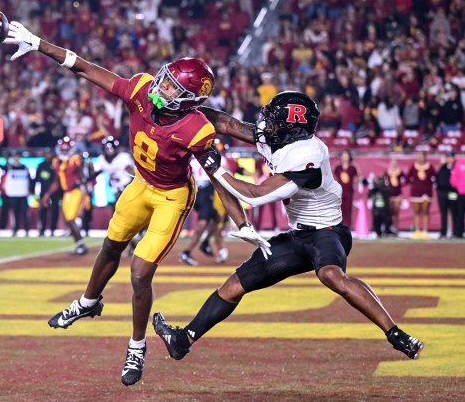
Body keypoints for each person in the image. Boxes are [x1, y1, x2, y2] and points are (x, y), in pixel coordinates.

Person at [1, 22, 269, 385]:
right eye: (166, 78)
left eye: (174, 86)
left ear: (189, 98)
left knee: (140, 272)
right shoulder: (142, 89)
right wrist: (39, 44)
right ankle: (88, 302)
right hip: (140, 185)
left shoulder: (196, 128)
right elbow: (85, 67)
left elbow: (216, 177)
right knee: (110, 247)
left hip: (172, 197)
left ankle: (137, 346)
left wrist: (242, 223)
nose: (162, 86)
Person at [153, 91, 423, 365]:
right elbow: (226, 124)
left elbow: (255, 195)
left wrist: (216, 168)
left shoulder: (308, 154)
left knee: (330, 274)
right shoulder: (278, 137)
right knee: (236, 284)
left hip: (326, 232)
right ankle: (182, 341)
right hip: (298, 236)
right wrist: (182, 110)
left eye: (273, 122)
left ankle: (396, 334)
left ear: (291, 128)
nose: (265, 127)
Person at [42, 137, 89, 255]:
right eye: (62, 149)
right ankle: (79, 244)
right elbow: (56, 181)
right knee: (67, 220)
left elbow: (83, 177)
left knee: (70, 219)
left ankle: (81, 245)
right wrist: (47, 194)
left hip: (76, 191)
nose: (64, 151)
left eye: (66, 149)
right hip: (66, 193)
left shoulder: (75, 160)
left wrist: (87, 194)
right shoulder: (56, 161)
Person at [179, 156, 221, 266]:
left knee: (217, 217)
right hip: (203, 193)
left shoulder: (190, 160)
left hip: (199, 192)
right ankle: (186, 252)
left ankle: (205, 242)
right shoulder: (207, 158)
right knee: (202, 224)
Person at [2, 150, 32, 237]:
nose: (16, 158)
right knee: (15, 213)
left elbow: (29, 180)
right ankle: (15, 229)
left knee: (24, 213)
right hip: (13, 194)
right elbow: (1, 167)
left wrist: (29, 190)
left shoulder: (24, 167)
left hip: (23, 193)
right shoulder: (9, 167)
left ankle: (27, 230)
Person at [32, 148, 61, 237]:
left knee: (55, 211)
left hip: (55, 192)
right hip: (43, 192)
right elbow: (36, 179)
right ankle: (42, 229)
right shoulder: (41, 166)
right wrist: (34, 192)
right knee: (43, 211)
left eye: (50, 153)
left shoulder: (57, 165)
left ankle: (53, 229)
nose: (48, 155)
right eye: (47, 153)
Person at [407, 151, 436, 239]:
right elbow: (408, 178)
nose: (420, 158)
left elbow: (434, 178)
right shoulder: (413, 167)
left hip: (426, 192)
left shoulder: (430, 167)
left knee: (426, 211)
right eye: (419, 156)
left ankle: (425, 230)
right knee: (416, 212)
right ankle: (417, 230)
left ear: (425, 157)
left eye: (422, 157)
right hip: (416, 192)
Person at [333, 149, 359, 228]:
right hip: (339, 192)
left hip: (349, 191)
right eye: (343, 155)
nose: (345, 157)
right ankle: (339, 225)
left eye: (346, 155)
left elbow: (357, 177)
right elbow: (334, 178)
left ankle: (348, 226)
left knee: (348, 209)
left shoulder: (353, 168)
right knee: (339, 208)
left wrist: (355, 184)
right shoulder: (338, 167)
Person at [436, 151, 458, 238]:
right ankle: (443, 232)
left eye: (450, 157)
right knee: (443, 213)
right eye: (447, 157)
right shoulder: (443, 168)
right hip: (442, 193)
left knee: (454, 212)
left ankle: (455, 231)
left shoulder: (456, 167)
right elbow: (438, 178)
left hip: (453, 192)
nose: (449, 159)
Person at [385, 157, 406, 235]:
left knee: (396, 212)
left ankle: (396, 228)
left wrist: (400, 186)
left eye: (395, 162)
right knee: (390, 212)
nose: (394, 164)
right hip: (390, 195)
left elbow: (406, 179)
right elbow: (383, 180)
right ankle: (390, 228)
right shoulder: (387, 172)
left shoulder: (400, 172)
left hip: (397, 195)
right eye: (392, 162)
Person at [450, 154, 465, 239]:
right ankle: (459, 232)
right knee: (460, 213)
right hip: (461, 193)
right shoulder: (459, 163)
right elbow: (453, 178)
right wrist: (458, 186)